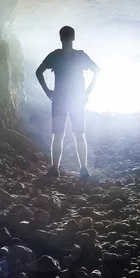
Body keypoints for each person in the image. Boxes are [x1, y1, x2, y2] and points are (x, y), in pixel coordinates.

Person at [36, 26, 100, 178]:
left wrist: (47, 91)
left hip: (60, 100)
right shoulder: (80, 56)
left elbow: (39, 72)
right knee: (79, 134)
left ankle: (55, 169)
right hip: (76, 100)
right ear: (73, 38)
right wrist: (87, 92)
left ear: (60, 38)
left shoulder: (55, 56)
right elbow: (97, 71)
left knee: (58, 135)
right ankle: (83, 169)